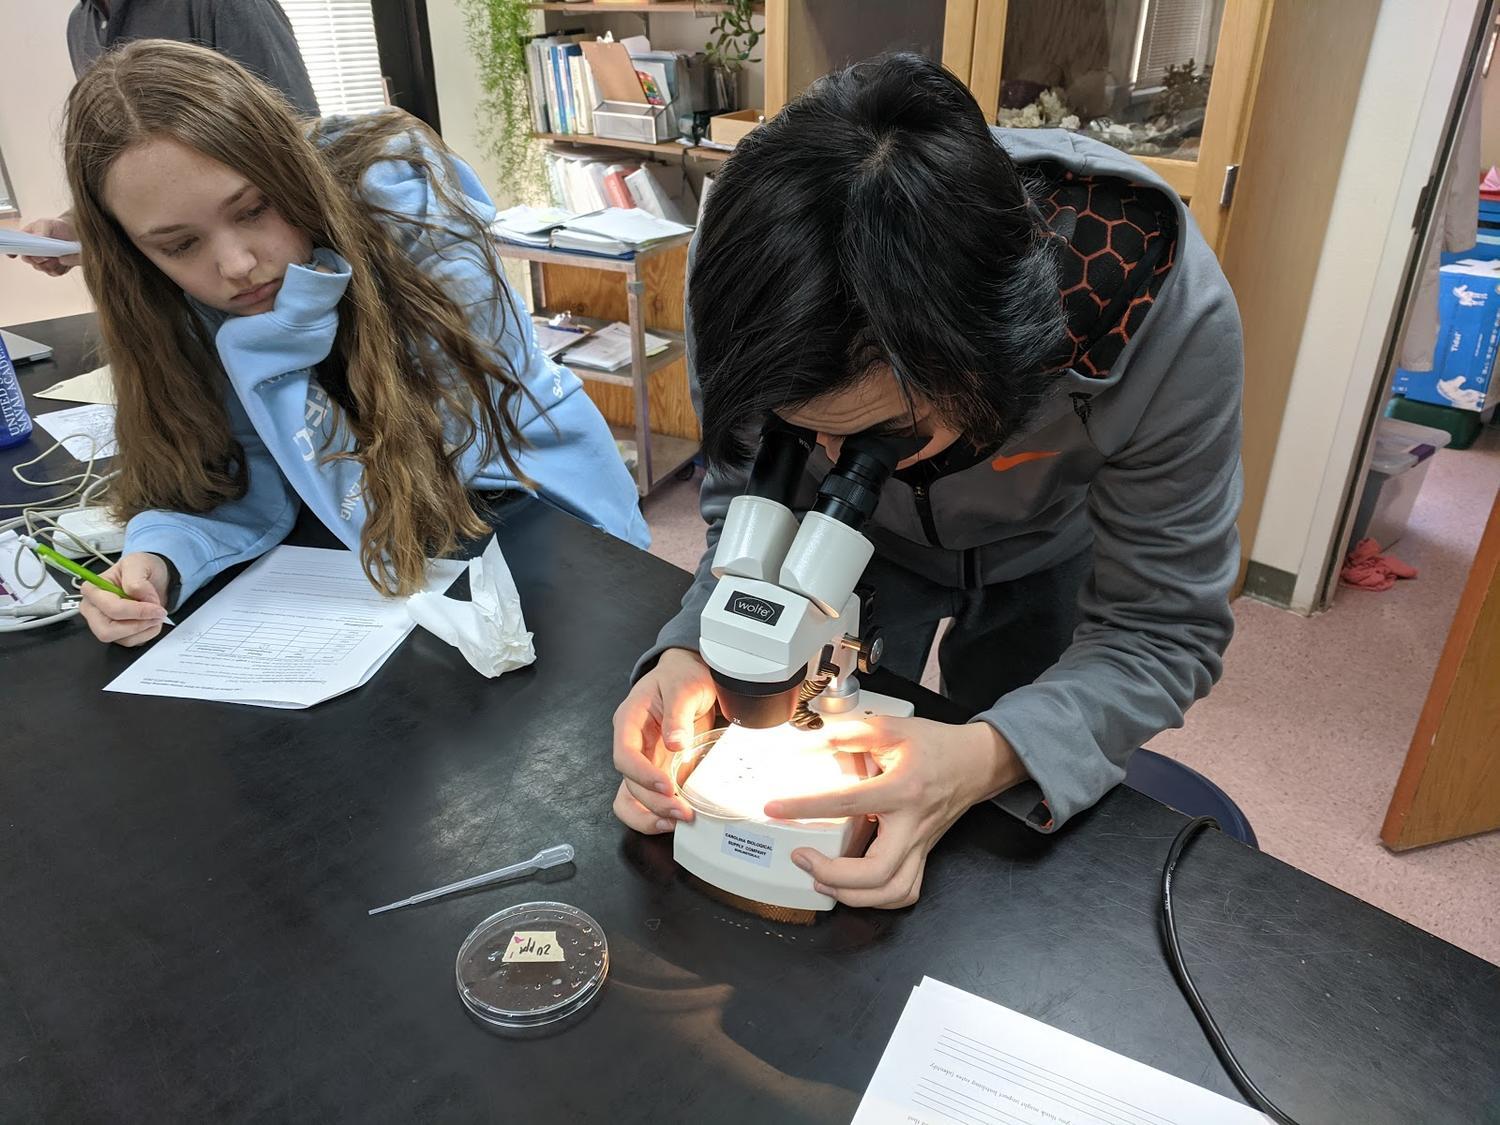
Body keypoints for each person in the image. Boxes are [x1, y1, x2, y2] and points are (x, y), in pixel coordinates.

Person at [612, 53, 1243, 909]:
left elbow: (1159, 629)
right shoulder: (751, 263)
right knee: (844, 740)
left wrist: (985, 756)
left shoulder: (1167, 318)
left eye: (874, 436)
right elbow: (742, 503)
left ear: (992, 365)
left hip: (1043, 545)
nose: (832, 463)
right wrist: (695, 643)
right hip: (861, 555)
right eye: (803, 437)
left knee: (1001, 841)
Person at [64, 39, 648, 646]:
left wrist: (274, 346)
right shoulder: (172, 303)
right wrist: (159, 558)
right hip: (379, 547)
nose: (237, 264)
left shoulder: (403, 193)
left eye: (255, 208)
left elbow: (433, 456)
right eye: (179, 245)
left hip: (522, 492)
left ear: (285, 167)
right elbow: (239, 465)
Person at [19, 0, 318, 277]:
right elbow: (124, 156)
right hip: (180, 299)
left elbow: (299, 151)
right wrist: (82, 227)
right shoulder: (81, 24)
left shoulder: (220, 4)